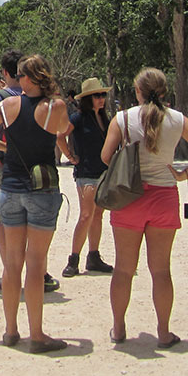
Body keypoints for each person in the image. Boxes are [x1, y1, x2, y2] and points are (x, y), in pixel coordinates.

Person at [101, 67, 188, 349]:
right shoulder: (177, 119)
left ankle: (118, 327)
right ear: (163, 91)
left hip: (129, 197)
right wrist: (184, 174)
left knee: (123, 269)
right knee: (161, 270)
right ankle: (164, 332)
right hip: (164, 197)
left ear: (137, 90)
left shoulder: (123, 118)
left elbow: (105, 156)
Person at [0, 54, 69, 353]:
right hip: (42, 188)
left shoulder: (9, 105)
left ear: (27, 78)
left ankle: (11, 330)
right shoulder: (56, 106)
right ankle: (37, 334)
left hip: (11, 188)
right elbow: (64, 130)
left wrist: (2, 145)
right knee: (36, 265)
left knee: (12, 264)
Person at [0, 51, 59, 293]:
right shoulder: (49, 103)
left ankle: (10, 277)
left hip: (6, 169)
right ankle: (40, 275)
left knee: (4, 225)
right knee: (37, 233)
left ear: (6, 73)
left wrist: (2, 146)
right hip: (40, 173)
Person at [59, 77, 115, 278]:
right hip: (86, 173)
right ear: (87, 99)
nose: (101, 99)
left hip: (104, 172)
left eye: (103, 95)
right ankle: (73, 259)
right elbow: (60, 136)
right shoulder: (78, 118)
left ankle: (94, 256)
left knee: (98, 214)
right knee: (86, 215)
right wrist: (70, 156)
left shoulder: (105, 118)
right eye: (96, 96)